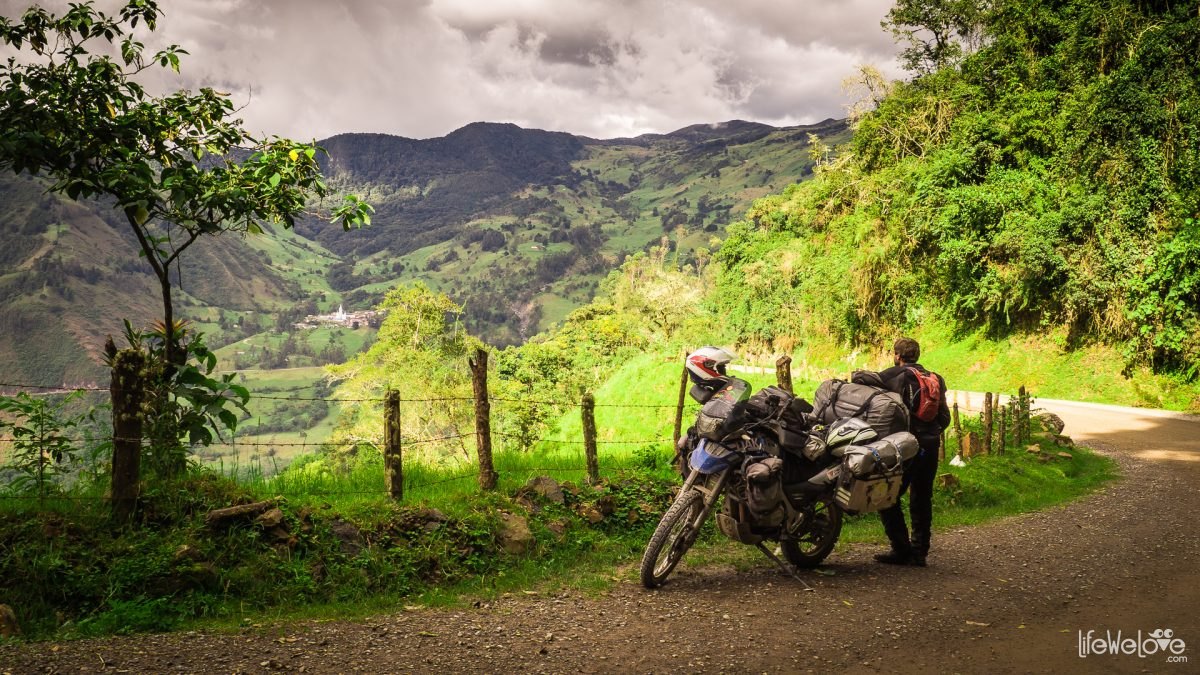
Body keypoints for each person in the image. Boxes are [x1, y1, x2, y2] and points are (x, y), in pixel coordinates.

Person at [874, 337, 950, 567]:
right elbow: (944, 417)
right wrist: (932, 433)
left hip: (906, 447)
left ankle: (901, 549)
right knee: (922, 497)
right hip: (931, 444)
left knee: (887, 497)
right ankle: (919, 553)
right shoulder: (936, 378)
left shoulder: (891, 376)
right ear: (917, 355)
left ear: (897, 355)